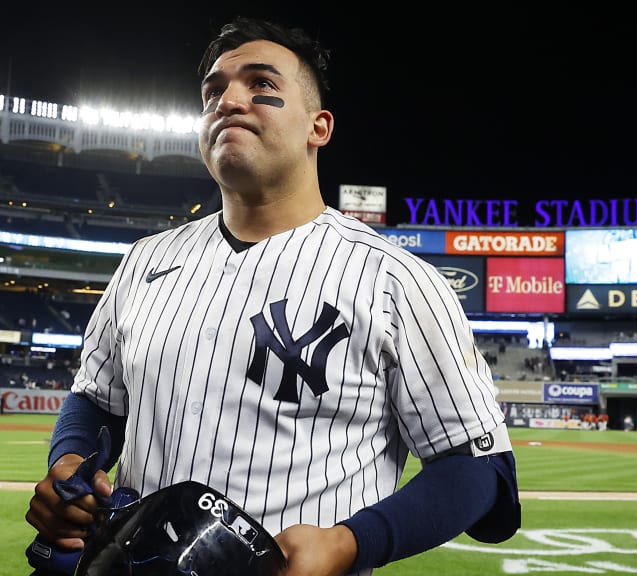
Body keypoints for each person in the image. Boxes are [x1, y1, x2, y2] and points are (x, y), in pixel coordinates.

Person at [25, 16, 519, 576]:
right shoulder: (146, 260)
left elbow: (478, 468)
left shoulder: (396, 280)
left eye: (262, 86)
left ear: (319, 127)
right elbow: (96, 399)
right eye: (214, 90)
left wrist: (350, 543)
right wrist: (69, 465)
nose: (229, 100)